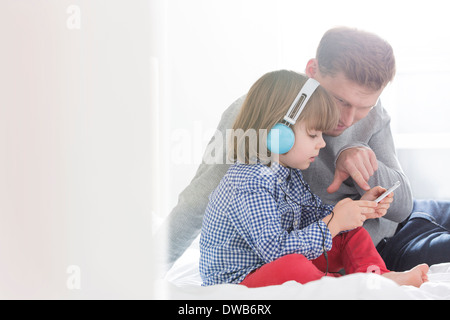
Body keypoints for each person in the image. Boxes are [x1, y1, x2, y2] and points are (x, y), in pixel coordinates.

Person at [158, 26, 447, 274]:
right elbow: (197, 204)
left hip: (400, 228)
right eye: (340, 101)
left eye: (364, 108)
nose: (348, 120)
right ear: (312, 71)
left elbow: (403, 206)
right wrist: (141, 274)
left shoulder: (370, 112)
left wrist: (357, 161)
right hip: (355, 252)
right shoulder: (258, 115)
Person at [199, 70, 428, 287]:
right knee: (294, 266)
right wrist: (334, 222)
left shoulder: (289, 173)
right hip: (242, 278)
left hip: (275, 262)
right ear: (279, 134)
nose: (322, 143)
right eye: (313, 134)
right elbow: (275, 251)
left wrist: (356, 209)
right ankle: (344, 286)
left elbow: (313, 214)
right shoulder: (250, 181)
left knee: (350, 233)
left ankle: (378, 277)